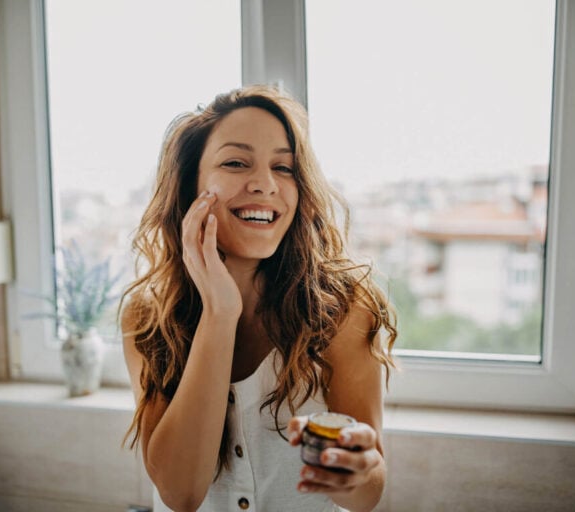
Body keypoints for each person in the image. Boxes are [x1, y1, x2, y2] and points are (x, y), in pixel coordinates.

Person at [121, 85, 397, 512]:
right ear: (191, 183)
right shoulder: (147, 315)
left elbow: (368, 492)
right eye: (236, 162)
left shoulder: (345, 307)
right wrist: (219, 313)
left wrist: (357, 472)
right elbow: (180, 493)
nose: (266, 184)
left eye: (284, 168)